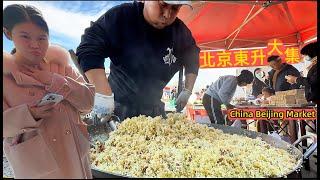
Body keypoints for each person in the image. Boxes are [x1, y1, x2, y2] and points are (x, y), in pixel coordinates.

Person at [3, 4, 94, 178]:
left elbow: (88, 102)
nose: (35, 45)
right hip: (36, 166)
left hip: (75, 153)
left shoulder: (61, 64)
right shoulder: (5, 76)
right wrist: (28, 114)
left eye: (42, 38)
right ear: (8, 33)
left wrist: (56, 81)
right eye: (25, 36)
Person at [76, 0, 199, 121]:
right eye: (163, 5)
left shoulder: (180, 32)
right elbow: (89, 48)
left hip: (154, 110)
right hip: (115, 108)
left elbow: (192, 57)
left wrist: (187, 90)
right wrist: (103, 94)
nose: (167, 14)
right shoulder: (122, 17)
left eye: (175, 8)